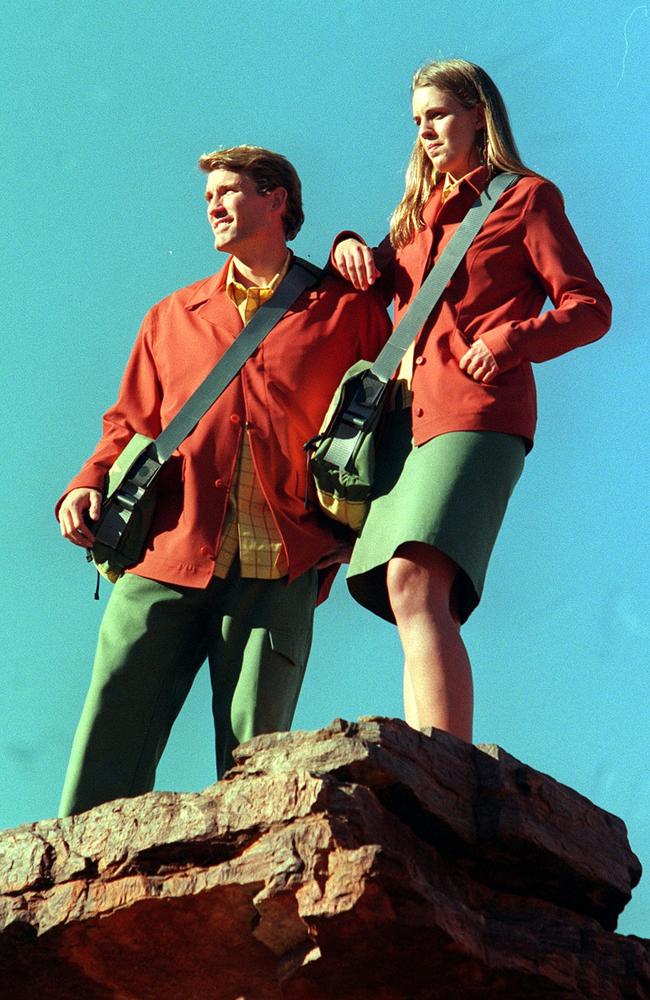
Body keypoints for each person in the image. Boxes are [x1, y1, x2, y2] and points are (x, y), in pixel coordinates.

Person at [56, 145, 390, 815]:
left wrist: (362, 533)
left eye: (228, 190)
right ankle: (69, 891)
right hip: (167, 549)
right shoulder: (171, 316)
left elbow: (388, 420)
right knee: (113, 722)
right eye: (208, 194)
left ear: (277, 201)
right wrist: (85, 483)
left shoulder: (345, 310)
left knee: (257, 752)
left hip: (285, 555)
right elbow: (128, 420)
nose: (212, 203)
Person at [332, 59, 611, 744]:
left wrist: (514, 337)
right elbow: (369, 289)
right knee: (408, 596)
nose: (426, 129)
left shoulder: (527, 198)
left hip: (477, 412)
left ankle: (445, 765)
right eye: (417, 120)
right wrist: (347, 248)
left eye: (439, 114)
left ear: (477, 113)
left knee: (415, 578)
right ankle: (427, 754)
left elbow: (589, 307)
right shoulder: (416, 218)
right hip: (402, 424)